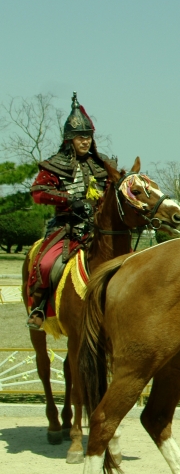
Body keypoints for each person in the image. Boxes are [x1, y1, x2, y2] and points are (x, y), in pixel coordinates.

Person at [26, 94, 111, 328]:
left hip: (99, 228)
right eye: (80, 137)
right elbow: (38, 190)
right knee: (45, 264)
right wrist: (68, 199)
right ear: (69, 139)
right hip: (66, 228)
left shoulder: (101, 164)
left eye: (88, 137)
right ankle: (40, 307)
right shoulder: (55, 165)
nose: (85, 142)